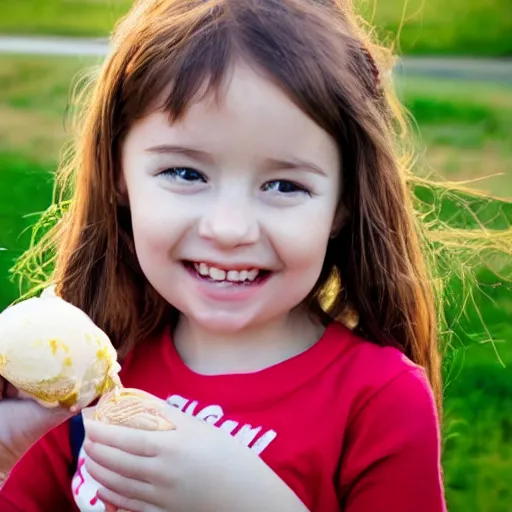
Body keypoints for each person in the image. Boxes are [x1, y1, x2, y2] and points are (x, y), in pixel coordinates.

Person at [0, 0, 448, 510]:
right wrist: (4, 450)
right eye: (186, 174)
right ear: (118, 176)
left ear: (344, 204)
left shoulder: (380, 401)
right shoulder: (88, 378)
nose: (230, 229)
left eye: (283, 184)